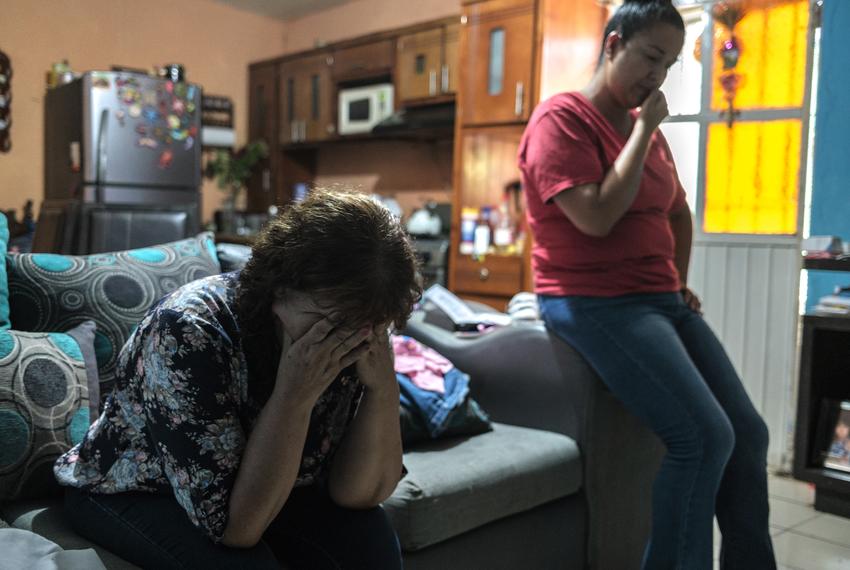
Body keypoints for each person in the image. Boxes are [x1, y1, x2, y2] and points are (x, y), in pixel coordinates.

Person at [517, 1, 776, 568]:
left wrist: (677, 284)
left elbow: (679, 214)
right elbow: (596, 217)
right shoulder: (561, 120)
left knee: (748, 434)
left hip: (659, 301)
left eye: (670, 66)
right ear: (613, 44)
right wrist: (644, 130)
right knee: (704, 438)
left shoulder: (645, 135)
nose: (657, 77)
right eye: (651, 58)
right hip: (592, 302)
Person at [55, 190, 421, 569]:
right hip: (136, 489)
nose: (344, 340)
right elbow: (236, 528)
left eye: (367, 327)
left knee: (371, 543)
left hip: (269, 485)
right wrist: (294, 395)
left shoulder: (359, 324)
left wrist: (382, 387)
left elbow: (356, 495)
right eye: (330, 322)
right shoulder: (188, 330)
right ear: (281, 286)